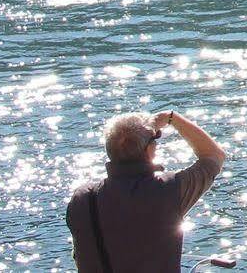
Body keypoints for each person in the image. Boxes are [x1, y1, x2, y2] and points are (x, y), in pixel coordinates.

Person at [66, 109, 225, 273]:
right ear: (149, 150)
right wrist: (172, 118)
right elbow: (214, 156)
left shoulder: (82, 198)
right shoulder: (168, 189)